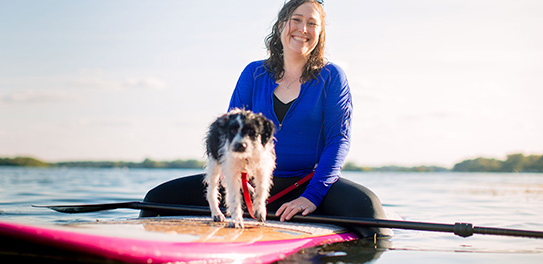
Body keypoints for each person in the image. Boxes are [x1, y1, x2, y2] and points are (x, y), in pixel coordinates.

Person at [140, 0, 391, 239]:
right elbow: (226, 134)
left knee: (370, 211)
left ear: (320, 32)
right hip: (247, 184)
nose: (303, 29)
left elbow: (338, 140)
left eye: (312, 23)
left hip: (305, 186)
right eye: (296, 19)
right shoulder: (253, 73)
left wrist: (312, 197)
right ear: (282, 24)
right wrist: (233, 180)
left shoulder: (332, 76)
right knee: (155, 200)